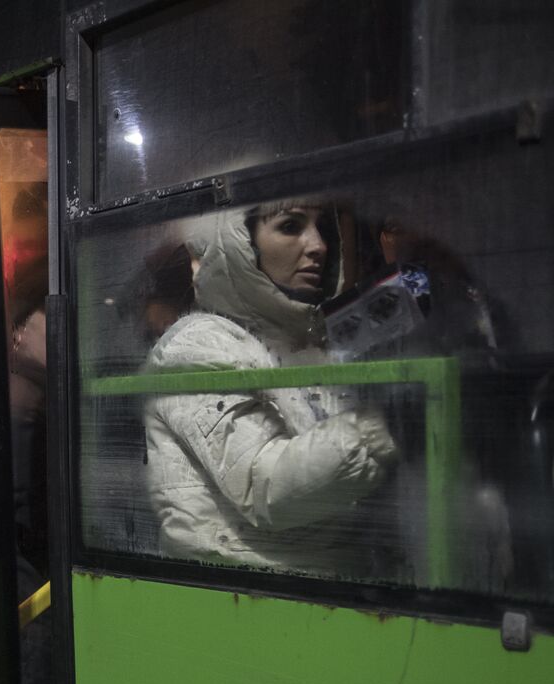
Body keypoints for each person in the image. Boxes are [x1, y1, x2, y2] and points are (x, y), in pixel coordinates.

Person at [142, 203, 399, 576]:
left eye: (323, 228)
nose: (319, 246)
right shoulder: (198, 344)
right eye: (291, 226)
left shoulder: (314, 344)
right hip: (238, 593)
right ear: (240, 246)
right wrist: (384, 428)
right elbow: (263, 486)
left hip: (332, 582)